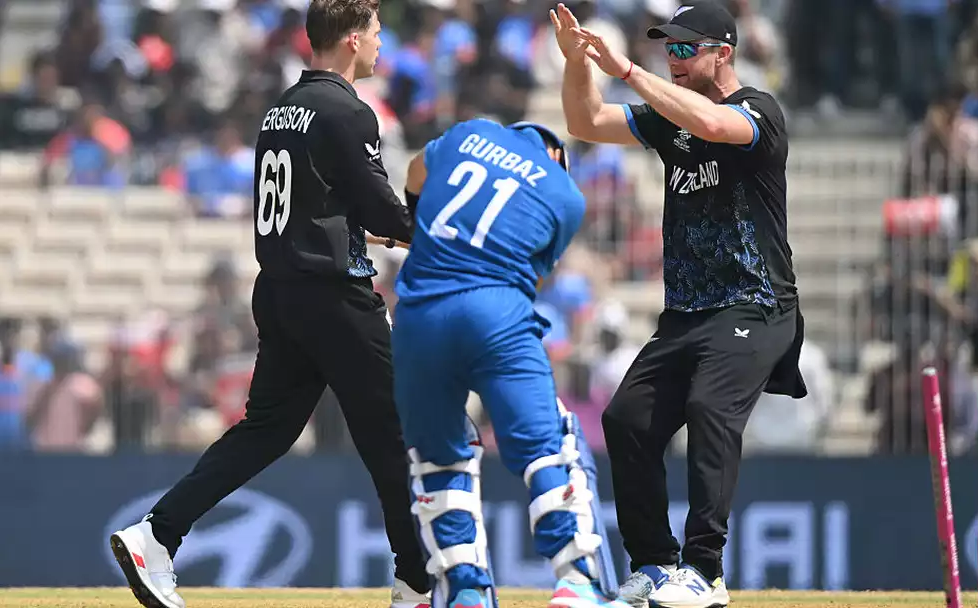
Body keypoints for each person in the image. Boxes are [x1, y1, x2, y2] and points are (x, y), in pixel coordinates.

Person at [108, 2, 432, 608]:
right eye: (379, 34)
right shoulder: (348, 110)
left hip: (280, 291)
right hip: (335, 297)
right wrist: (441, 225)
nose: (382, 46)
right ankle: (417, 581)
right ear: (355, 39)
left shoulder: (280, 109)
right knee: (394, 435)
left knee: (267, 430)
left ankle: (156, 534)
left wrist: (381, 226)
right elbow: (382, 209)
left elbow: (329, 206)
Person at [550, 2, 806, 607]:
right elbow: (584, 121)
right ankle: (654, 565)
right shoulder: (673, 119)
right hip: (688, 314)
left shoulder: (759, 111)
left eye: (687, 49)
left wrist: (631, 72)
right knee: (627, 420)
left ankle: (706, 572)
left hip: (755, 304)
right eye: (669, 48)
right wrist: (577, 64)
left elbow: (717, 127)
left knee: (710, 407)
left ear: (724, 52)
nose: (675, 57)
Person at [391, 118, 622, 608]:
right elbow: (529, 269)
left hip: (417, 317)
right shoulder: (566, 195)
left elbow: (415, 174)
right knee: (548, 444)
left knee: (438, 455)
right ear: (556, 154)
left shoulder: (466, 133)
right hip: (494, 312)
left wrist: (417, 226)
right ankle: (576, 580)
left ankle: (464, 590)